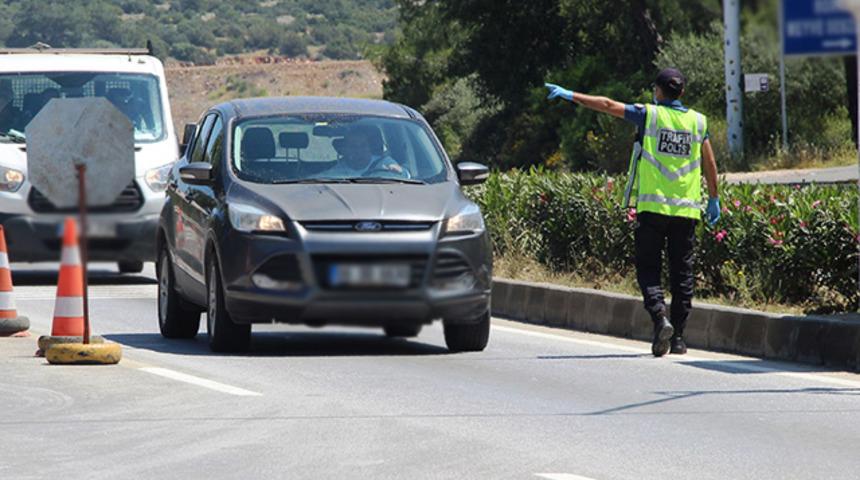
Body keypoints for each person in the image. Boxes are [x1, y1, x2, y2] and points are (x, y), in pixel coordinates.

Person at [545, 68, 720, 357]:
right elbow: (710, 163)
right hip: (687, 212)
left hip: (652, 209)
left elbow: (607, 105)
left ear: (659, 91)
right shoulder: (698, 122)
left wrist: (571, 95)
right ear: (682, 93)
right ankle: (678, 339)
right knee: (682, 275)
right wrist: (713, 198)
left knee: (648, 268)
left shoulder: (649, 114)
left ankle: (659, 318)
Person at [323, 125, 409, 179]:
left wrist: (401, 171)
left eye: (363, 145)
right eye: (353, 146)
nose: (359, 150)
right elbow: (318, 179)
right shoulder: (336, 172)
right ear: (345, 150)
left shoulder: (385, 163)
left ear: (369, 148)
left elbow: (407, 177)